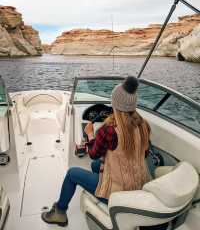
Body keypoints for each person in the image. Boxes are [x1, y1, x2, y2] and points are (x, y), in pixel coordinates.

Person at [41, 76, 151, 227]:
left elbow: (93, 154)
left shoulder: (110, 130)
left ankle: (59, 212)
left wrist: (90, 134)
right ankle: (98, 184)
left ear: (115, 103)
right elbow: (143, 154)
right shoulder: (144, 125)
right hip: (139, 185)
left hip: (119, 193)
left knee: (72, 174)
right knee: (96, 167)